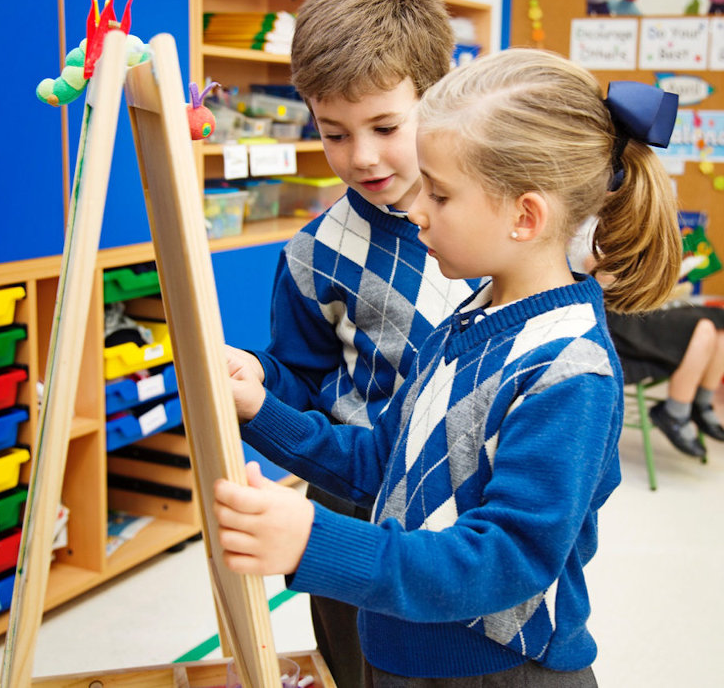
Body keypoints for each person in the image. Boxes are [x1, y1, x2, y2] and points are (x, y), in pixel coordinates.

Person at [215, 48, 681, 685]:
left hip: (499, 671)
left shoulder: (570, 372)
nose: (417, 211)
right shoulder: (470, 319)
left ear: (525, 215)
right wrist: (259, 410)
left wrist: (314, 542)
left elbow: (504, 560)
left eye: (439, 192)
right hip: (404, 651)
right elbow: (380, 464)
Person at [225, 0, 477, 688]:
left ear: (436, 97)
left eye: (386, 128)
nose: (361, 156)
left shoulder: (493, 219)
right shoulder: (314, 255)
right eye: (334, 133)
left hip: (463, 511)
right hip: (351, 504)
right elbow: (301, 379)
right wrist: (256, 379)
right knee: (360, 668)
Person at [569, 219, 724, 458]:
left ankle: (700, 403)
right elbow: (598, 272)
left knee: (719, 320)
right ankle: (677, 410)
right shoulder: (592, 226)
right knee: (702, 328)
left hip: (637, 308)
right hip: (615, 317)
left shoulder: (628, 221)